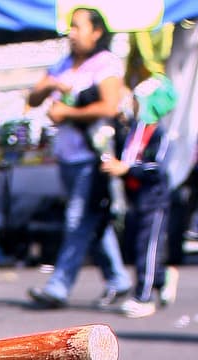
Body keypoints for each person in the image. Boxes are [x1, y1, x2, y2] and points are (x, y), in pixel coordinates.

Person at [26, 7, 133, 309]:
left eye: (78, 27)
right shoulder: (61, 64)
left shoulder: (105, 64)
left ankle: (58, 287)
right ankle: (119, 280)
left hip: (93, 156)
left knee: (77, 220)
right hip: (68, 157)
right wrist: (48, 85)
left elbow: (110, 107)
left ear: (96, 32)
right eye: (70, 28)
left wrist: (66, 112)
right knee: (91, 222)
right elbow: (32, 97)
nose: (72, 33)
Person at [102, 73, 177, 316]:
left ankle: (143, 297)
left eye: (137, 101)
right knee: (139, 245)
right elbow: (126, 159)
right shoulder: (133, 131)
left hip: (155, 198)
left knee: (148, 246)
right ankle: (163, 278)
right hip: (136, 197)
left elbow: (157, 167)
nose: (132, 105)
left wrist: (128, 168)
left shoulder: (159, 134)